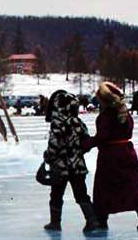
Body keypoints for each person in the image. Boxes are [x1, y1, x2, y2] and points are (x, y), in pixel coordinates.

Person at [82, 82, 138, 231]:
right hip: (127, 153)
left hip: (111, 156)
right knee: (130, 186)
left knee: (103, 188)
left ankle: (101, 220)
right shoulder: (125, 114)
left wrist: (85, 144)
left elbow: (103, 137)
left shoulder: (105, 116)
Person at [42, 90, 99, 232]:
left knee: (56, 195)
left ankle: (55, 223)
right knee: (81, 194)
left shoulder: (57, 122)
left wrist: (48, 156)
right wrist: (77, 152)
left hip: (60, 167)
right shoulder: (78, 122)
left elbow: (54, 145)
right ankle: (92, 221)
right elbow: (86, 141)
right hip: (78, 166)